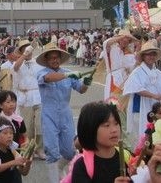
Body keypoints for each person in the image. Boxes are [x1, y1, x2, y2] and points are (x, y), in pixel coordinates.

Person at [36, 42, 91, 183]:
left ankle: (60, 169)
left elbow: (81, 89)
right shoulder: (43, 73)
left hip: (66, 115)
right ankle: (54, 180)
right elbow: (48, 78)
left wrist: (86, 82)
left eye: (57, 57)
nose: (55, 60)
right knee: (52, 151)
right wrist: (68, 75)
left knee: (70, 151)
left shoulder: (66, 72)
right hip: (49, 115)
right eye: (51, 58)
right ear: (47, 61)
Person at [65, 101, 131, 183]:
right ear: (90, 129)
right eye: (107, 125)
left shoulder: (124, 157)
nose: (114, 130)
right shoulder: (82, 165)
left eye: (116, 123)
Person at [123, 42, 161, 146]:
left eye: (153, 54)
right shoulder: (137, 72)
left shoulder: (158, 73)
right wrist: (154, 95)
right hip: (141, 105)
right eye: (148, 54)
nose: (151, 57)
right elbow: (135, 88)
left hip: (156, 106)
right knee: (141, 131)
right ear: (143, 57)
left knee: (156, 129)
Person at [12, 39, 45, 159]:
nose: (28, 50)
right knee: (28, 127)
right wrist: (24, 55)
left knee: (40, 125)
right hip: (25, 98)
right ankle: (29, 149)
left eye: (28, 48)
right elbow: (16, 68)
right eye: (24, 48)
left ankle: (40, 149)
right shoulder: (17, 64)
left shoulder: (38, 63)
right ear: (21, 51)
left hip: (38, 96)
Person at [0, 117, 32, 183]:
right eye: (5, 133)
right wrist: (13, 162)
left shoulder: (13, 151)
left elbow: (23, 172)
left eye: (11, 133)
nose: (9, 136)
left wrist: (28, 164)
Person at [102, 29, 138, 101]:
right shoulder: (112, 48)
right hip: (113, 77)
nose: (125, 41)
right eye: (123, 39)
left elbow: (132, 67)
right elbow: (106, 43)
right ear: (118, 39)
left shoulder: (127, 53)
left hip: (124, 79)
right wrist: (123, 36)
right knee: (112, 101)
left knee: (122, 102)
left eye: (128, 40)